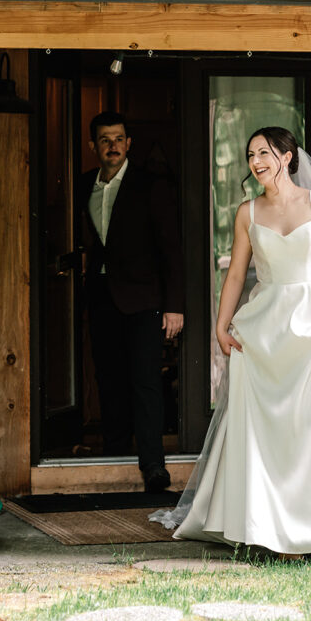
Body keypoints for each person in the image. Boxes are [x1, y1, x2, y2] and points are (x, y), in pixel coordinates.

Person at [151, 127, 311, 554]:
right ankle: (263, 517)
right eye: (250, 155)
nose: (255, 162)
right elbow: (235, 275)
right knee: (265, 427)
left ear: (287, 157)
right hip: (266, 326)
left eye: (263, 153)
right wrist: (221, 325)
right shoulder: (247, 213)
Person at [79, 111, 184, 492]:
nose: (113, 146)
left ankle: (153, 465)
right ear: (94, 145)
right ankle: (115, 455)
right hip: (102, 298)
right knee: (108, 381)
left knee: (145, 383)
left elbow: (171, 249)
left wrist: (175, 305)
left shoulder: (150, 186)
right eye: (105, 139)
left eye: (119, 138)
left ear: (129, 144)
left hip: (143, 300)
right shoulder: (84, 185)